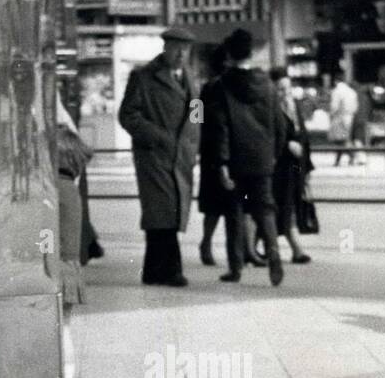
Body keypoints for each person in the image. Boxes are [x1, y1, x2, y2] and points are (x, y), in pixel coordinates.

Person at [118, 26, 200, 287]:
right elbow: (127, 115)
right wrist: (158, 137)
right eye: (176, 48)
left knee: (168, 212)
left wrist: (193, 141)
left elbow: (197, 112)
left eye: (185, 49)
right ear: (165, 48)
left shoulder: (190, 77)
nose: (180, 54)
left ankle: (154, 270)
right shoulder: (143, 77)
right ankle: (169, 270)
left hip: (181, 155)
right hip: (154, 155)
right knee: (163, 211)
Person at [206, 28, 288, 287]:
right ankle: (274, 253)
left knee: (235, 213)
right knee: (265, 210)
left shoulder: (222, 85)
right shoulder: (267, 85)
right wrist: (273, 154)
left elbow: (221, 127)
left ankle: (236, 267)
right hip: (263, 159)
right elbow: (280, 124)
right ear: (251, 53)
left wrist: (221, 163)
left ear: (229, 54)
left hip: (235, 161)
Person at [55, 94, 89, 378]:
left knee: (61, 331)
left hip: (60, 269)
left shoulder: (59, 191)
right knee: (64, 329)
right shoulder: (72, 189)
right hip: (71, 268)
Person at [270, 68, 313, 265]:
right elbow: (267, 136)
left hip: (296, 166)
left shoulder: (294, 105)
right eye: (280, 88)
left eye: (287, 87)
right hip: (280, 165)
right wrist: (287, 145)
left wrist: (308, 167)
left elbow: (304, 136)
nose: (285, 92)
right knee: (285, 207)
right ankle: (296, 249)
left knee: (289, 205)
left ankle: (255, 248)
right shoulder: (270, 108)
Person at [197, 42, 231, 268]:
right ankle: (207, 243)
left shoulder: (205, 88)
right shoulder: (213, 88)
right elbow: (195, 117)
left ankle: (208, 243)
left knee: (219, 205)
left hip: (213, 149)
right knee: (216, 204)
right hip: (214, 150)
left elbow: (194, 117)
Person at [328, 71, 359, 165]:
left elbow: (334, 106)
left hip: (339, 116)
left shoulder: (337, 91)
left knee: (341, 139)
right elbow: (356, 106)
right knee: (345, 138)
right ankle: (344, 158)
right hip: (350, 116)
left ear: (335, 81)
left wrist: (331, 115)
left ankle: (351, 156)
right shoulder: (351, 91)